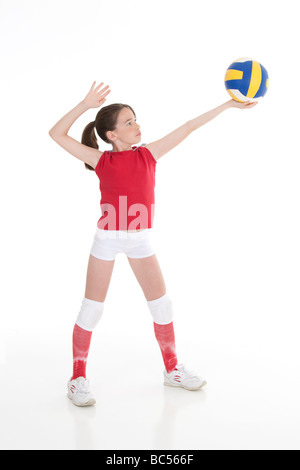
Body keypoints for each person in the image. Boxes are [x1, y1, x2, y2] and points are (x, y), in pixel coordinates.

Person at [49, 81, 257, 407]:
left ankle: (172, 370)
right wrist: (83, 105)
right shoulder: (100, 160)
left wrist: (228, 106)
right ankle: (77, 378)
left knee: (162, 305)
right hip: (107, 241)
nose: (137, 126)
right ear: (111, 135)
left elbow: (188, 126)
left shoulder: (149, 154)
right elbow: (56, 134)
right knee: (91, 309)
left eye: (136, 119)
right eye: (128, 122)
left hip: (140, 241)